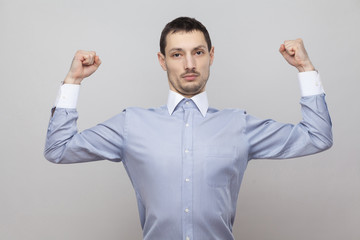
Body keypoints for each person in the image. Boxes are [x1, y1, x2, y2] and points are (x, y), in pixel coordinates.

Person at [44, 17, 332, 240]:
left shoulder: (239, 124)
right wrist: (73, 81)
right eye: (177, 54)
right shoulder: (131, 124)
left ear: (211, 55)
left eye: (198, 52)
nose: (190, 64)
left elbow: (316, 137)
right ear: (162, 61)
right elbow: (59, 150)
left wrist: (305, 69)